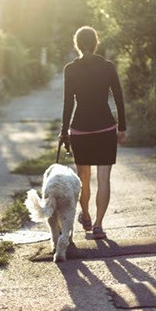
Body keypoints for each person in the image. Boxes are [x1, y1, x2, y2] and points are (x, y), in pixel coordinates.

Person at [60, 26, 126, 240]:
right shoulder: (107, 67)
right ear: (96, 43)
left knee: (83, 179)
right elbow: (118, 98)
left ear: (77, 44)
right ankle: (98, 226)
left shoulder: (70, 69)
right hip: (105, 128)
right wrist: (122, 126)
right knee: (104, 179)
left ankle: (86, 216)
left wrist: (64, 132)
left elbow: (68, 102)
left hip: (80, 129)